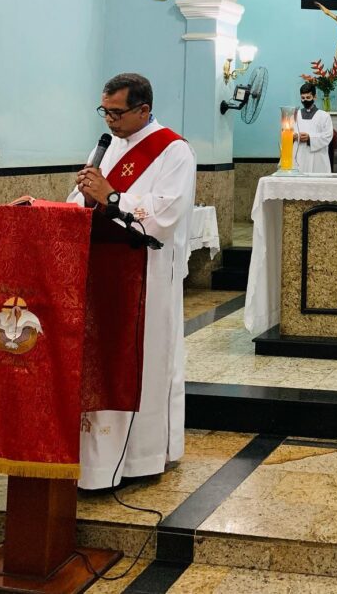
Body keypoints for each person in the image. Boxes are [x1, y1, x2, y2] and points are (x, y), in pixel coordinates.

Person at [67, 73, 196, 489]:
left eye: (117, 112)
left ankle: (140, 459)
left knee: (145, 360)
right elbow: (79, 202)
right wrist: (85, 197)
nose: (109, 120)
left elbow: (166, 214)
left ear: (143, 109)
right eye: (104, 111)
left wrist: (113, 197)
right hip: (100, 271)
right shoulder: (103, 147)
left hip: (147, 275)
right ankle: (94, 464)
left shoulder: (173, 151)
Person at [294, 83, 334, 174]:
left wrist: (310, 138)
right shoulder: (295, 115)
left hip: (318, 158)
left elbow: (328, 136)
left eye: (308, 98)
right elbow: (288, 132)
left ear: (315, 97)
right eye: (303, 98)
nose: (305, 100)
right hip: (300, 155)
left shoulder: (324, 116)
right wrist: (293, 136)